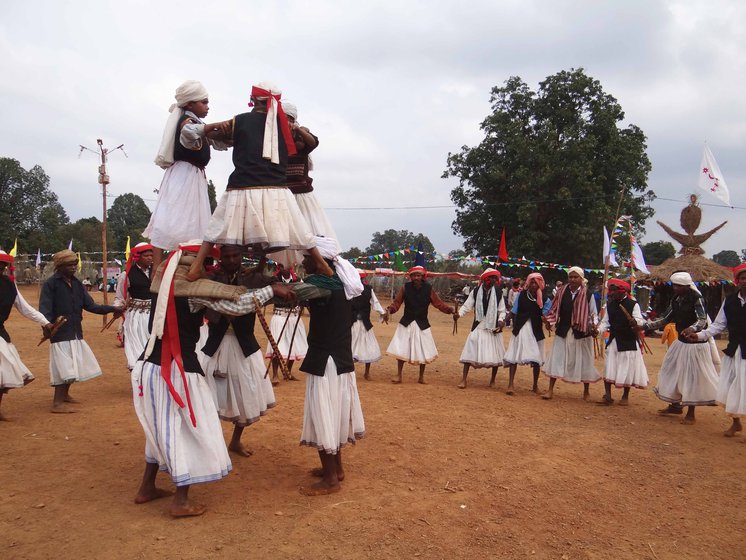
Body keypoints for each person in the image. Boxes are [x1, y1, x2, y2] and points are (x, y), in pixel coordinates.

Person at [132, 240, 295, 517]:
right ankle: (181, 501)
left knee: (160, 428)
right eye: (205, 263)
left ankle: (147, 487)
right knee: (193, 429)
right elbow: (234, 307)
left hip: (149, 367)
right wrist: (272, 289)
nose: (208, 269)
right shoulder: (190, 290)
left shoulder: (162, 281)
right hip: (177, 371)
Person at [186, 82, 334, 280]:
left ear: (253, 99)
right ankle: (322, 263)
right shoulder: (287, 127)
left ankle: (196, 266)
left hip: (242, 185)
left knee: (216, 227)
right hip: (276, 187)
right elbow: (312, 142)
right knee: (299, 228)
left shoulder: (240, 121)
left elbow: (215, 136)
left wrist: (213, 128)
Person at [296, 237, 365, 495]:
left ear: (318, 261)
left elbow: (293, 293)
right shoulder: (343, 282)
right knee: (334, 414)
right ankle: (335, 469)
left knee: (323, 414)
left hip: (325, 361)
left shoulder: (322, 284)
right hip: (340, 360)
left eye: (306, 258)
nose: (303, 262)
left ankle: (330, 481)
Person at [199, 245, 276, 456]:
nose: (232, 260)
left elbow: (275, 285)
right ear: (220, 258)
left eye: (236, 255)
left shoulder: (252, 278)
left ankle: (235, 441)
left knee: (246, 395)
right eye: (227, 256)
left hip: (245, 347)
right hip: (215, 346)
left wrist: (262, 259)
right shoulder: (210, 278)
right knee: (209, 396)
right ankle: (211, 445)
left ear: (242, 256)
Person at [144, 80, 228, 269]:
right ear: (190, 104)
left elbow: (217, 141)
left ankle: (188, 268)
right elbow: (189, 131)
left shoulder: (199, 123)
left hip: (194, 177)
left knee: (194, 225)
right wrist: (211, 127)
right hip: (183, 175)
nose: (207, 106)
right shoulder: (187, 122)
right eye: (204, 102)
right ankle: (157, 272)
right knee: (167, 222)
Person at [39, 250, 123, 413]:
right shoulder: (51, 284)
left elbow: (90, 306)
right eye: (69, 265)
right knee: (64, 367)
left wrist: (112, 308)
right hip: (59, 331)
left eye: (74, 265)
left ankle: (65, 396)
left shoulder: (77, 284)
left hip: (76, 330)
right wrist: (47, 325)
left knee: (74, 363)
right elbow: (44, 308)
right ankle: (57, 403)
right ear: (59, 266)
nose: (73, 268)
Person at [644, 272, 718, 424]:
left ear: (686, 286)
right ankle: (675, 405)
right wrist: (644, 326)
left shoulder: (697, 299)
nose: (676, 288)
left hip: (695, 345)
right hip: (681, 343)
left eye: (679, 286)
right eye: (675, 286)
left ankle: (691, 413)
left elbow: (702, 320)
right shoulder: (676, 299)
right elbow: (666, 319)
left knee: (692, 377)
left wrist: (692, 329)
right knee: (671, 371)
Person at [275, 102, 340, 268]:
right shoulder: (274, 139)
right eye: (282, 119)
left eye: (288, 119)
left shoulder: (301, 139)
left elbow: (313, 143)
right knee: (278, 235)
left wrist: (297, 129)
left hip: (302, 195)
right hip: (282, 194)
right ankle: (281, 269)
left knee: (312, 235)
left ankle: (325, 267)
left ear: (293, 119)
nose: (285, 122)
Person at [685, 263, 746, 437]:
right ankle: (736, 422)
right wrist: (699, 335)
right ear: (737, 281)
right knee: (731, 387)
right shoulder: (731, 300)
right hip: (734, 351)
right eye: (742, 278)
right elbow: (718, 325)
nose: (745, 281)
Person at [0, 251, 51, 420]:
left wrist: (45, 322)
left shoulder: (9, 285)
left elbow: (25, 308)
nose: (0, 267)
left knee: (5, 372)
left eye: (3, 264)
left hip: (0, 334)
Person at [386, 266, 455, 384]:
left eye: (419, 276)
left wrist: (449, 310)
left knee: (424, 350)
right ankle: (399, 375)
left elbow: (438, 303)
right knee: (401, 349)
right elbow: (397, 303)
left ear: (423, 277)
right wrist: (389, 310)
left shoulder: (429, 289)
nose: (417, 278)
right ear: (411, 277)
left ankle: (421, 377)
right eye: (414, 276)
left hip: (422, 323)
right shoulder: (405, 288)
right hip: (407, 322)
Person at [542, 267, 600, 400]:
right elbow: (554, 309)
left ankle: (586, 391)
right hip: (563, 330)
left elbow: (593, 314)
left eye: (576, 277)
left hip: (582, 332)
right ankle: (550, 390)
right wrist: (549, 320)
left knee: (585, 360)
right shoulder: (561, 292)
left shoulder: (588, 294)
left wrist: (594, 326)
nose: (573, 279)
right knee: (557, 358)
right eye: (571, 277)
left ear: (581, 279)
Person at [597, 279, 648, 405]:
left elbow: (640, 321)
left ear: (622, 291)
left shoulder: (633, 304)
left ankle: (625, 396)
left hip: (628, 340)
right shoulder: (610, 305)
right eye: (611, 290)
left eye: (614, 290)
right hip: (614, 340)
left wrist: (635, 322)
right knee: (609, 366)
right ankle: (607, 395)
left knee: (627, 368)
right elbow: (605, 322)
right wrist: (597, 330)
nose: (612, 293)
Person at [455, 268, 506, 389]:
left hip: (492, 327)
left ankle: (492, 380)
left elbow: (502, 310)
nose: (494, 280)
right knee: (470, 348)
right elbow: (467, 306)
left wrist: (500, 320)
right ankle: (464, 379)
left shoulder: (498, 293)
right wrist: (459, 314)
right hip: (478, 324)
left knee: (495, 353)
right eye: (492, 277)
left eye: (495, 278)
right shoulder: (476, 291)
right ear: (485, 279)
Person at [503, 273, 551, 395]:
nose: (533, 285)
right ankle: (510, 384)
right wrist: (504, 321)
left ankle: (535, 385)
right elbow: (514, 311)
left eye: (536, 283)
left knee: (537, 359)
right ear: (528, 283)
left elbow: (546, 316)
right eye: (532, 282)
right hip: (521, 328)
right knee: (514, 356)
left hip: (536, 330)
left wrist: (547, 321)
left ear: (540, 284)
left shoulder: (546, 299)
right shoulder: (521, 295)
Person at [114, 243, 154, 370]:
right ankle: (137, 372)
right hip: (136, 316)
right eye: (146, 255)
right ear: (138, 257)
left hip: (154, 314)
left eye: (151, 255)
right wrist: (117, 309)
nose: (149, 258)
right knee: (137, 346)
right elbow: (120, 296)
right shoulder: (126, 275)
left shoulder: (158, 271)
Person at [265, 265, 306, 385]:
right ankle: (275, 375)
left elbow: (303, 295)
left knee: (293, 345)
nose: (284, 268)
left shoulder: (298, 280)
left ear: (291, 267)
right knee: (276, 345)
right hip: (279, 316)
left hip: (293, 316)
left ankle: (287, 372)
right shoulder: (274, 280)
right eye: (281, 266)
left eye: (287, 266)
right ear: (279, 267)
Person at [350, 271, 388, 380]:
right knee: (349, 348)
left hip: (365, 323)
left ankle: (367, 373)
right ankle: (350, 372)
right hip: (351, 322)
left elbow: (375, 303)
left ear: (362, 279)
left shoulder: (368, 289)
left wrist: (382, 312)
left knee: (368, 347)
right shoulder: (347, 289)